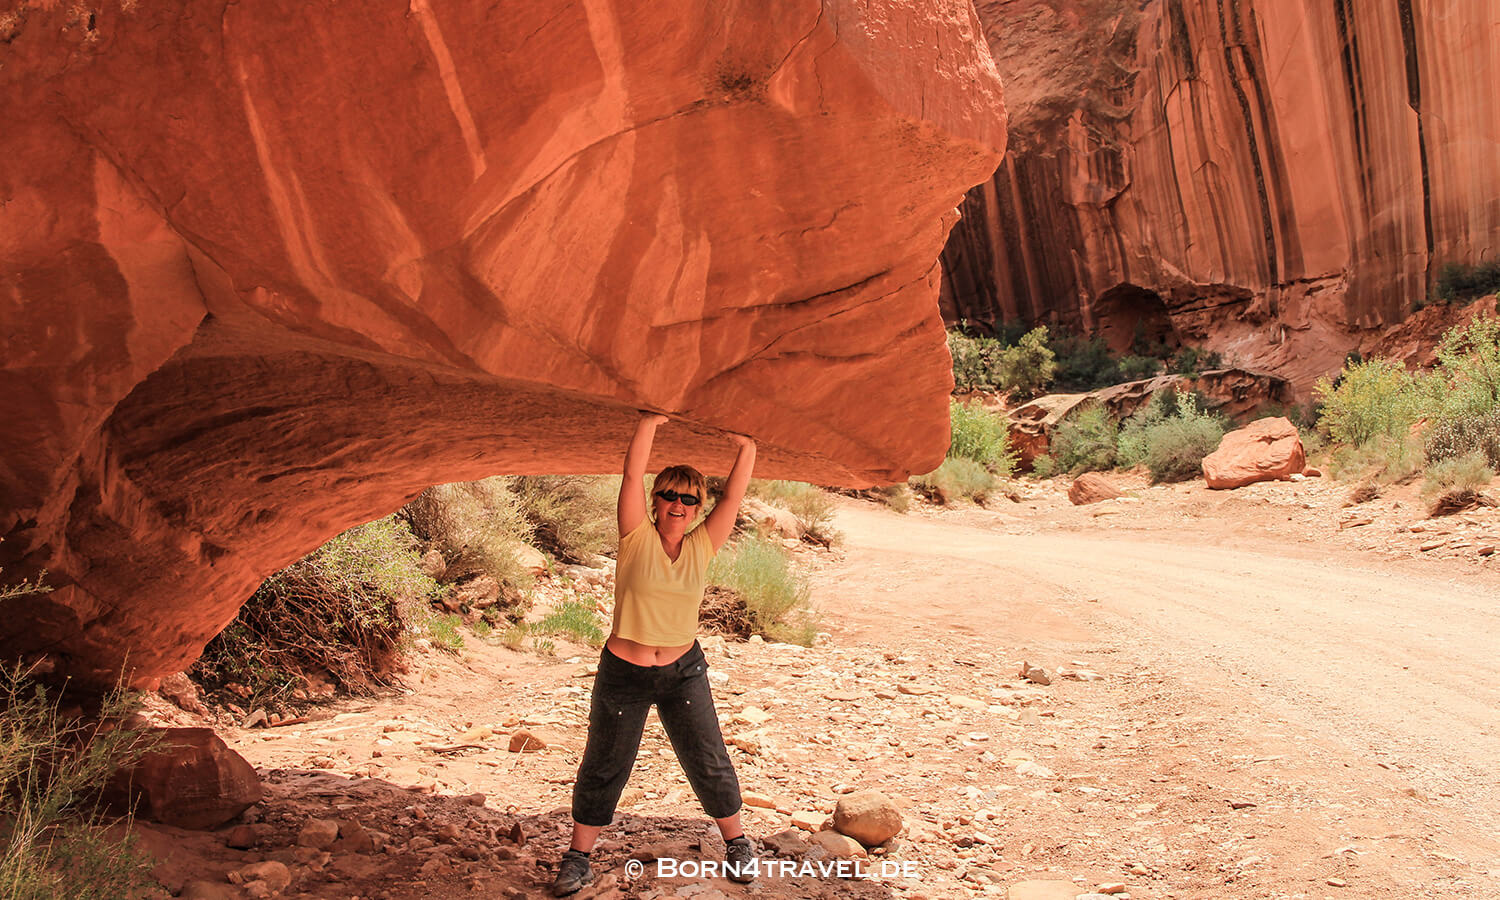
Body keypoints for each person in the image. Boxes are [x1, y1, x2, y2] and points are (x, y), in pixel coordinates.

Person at [552, 411, 759, 896]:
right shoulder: (636, 537)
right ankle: (578, 859)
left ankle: (737, 844)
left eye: (689, 498)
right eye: (669, 494)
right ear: (655, 500)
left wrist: (746, 449)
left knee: (707, 757)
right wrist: (649, 422)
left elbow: (733, 497)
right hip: (624, 672)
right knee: (605, 762)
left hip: (682, 671)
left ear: (699, 507)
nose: (678, 504)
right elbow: (630, 475)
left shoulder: (703, 545)